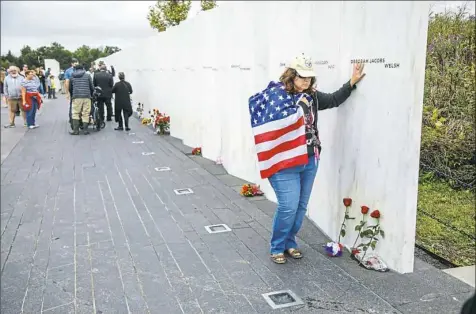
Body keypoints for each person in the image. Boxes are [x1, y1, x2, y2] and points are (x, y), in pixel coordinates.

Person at [250, 54, 366, 264]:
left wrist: (352, 82)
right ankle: (277, 245)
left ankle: (289, 242)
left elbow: (332, 100)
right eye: (302, 77)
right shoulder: (276, 96)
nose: (306, 81)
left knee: (301, 206)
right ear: (291, 75)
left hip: (309, 159)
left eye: (310, 78)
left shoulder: (311, 96)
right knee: (288, 205)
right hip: (284, 162)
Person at [69, 64, 94, 135]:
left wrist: (72, 95)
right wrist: (91, 95)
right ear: (83, 69)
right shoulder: (87, 75)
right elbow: (92, 87)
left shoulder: (72, 76)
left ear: (75, 69)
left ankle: (76, 131)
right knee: (86, 113)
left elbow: (70, 88)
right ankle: (85, 130)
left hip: (76, 97)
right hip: (87, 96)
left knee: (75, 113)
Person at [64, 58, 79, 122]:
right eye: (75, 62)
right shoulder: (81, 69)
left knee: (72, 104)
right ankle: (76, 118)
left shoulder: (68, 71)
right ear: (72, 63)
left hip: (72, 89)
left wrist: (67, 93)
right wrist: (67, 92)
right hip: (78, 89)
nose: (76, 63)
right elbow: (66, 82)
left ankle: (72, 118)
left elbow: (67, 82)